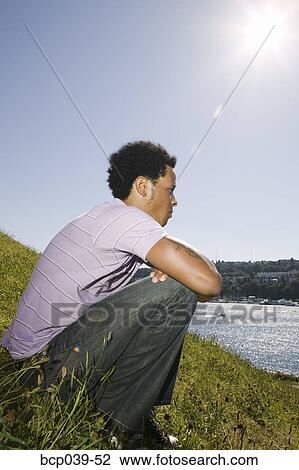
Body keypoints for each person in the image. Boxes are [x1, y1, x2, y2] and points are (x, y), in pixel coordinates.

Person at [1, 141, 222, 449]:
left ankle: (128, 415)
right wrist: (178, 265)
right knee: (177, 291)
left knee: (169, 291)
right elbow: (208, 283)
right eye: (170, 190)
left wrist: (167, 267)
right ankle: (118, 429)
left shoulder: (108, 219)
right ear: (143, 187)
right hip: (41, 372)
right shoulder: (127, 220)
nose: (175, 201)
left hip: (31, 363)